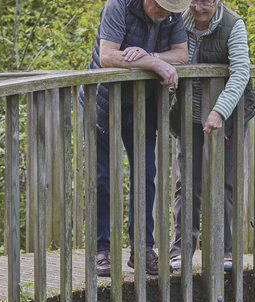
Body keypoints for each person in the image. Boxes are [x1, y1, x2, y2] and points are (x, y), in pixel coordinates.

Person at [79, 0, 191, 277]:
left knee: (146, 177)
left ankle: (142, 250)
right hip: (103, 101)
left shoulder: (172, 14)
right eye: (160, 6)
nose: (164, 13)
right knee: (102, 178)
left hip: (143, 104)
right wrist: (154, 62)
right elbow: (108, 56)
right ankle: (100, 250)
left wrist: (149, 55)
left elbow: (182, 54)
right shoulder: (118, 6)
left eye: (171, 10)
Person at [166, 0, 255, 270]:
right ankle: (181, 250)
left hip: (225, 114)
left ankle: (223, 251)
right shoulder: (178, 21)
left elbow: (241, 73)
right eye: (193, 0)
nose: (198, 6)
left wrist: (219, 111)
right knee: (187, 181)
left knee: (223, 181)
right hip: (189, 113)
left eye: (205, 1)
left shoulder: (233, 25)